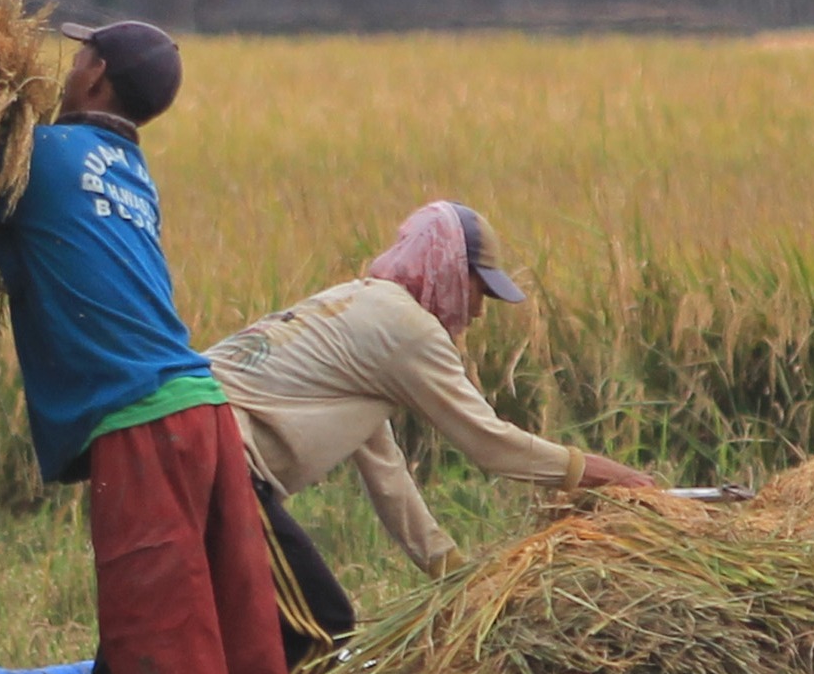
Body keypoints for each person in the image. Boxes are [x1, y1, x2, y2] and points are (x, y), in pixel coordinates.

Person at [0, 18, 287, 674]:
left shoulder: (40, 158)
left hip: (144, 421)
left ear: (97, 74)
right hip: (201, 410)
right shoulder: (128, 168)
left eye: (78, 55)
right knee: (207, 600)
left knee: (156, 612)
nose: (67, 65)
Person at [205, 200, 656, 595]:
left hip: (179, 438)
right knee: (321, 625)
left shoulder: (362, 308)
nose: (479, 310)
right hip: (218, 460)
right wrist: (615, 476)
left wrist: (453, 576)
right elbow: (492, 445)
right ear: (448, 270)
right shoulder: (408, 330)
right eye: (480, 290)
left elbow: (386, 471)